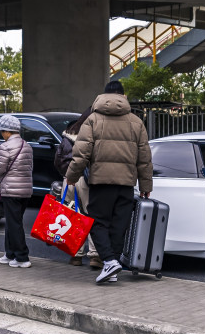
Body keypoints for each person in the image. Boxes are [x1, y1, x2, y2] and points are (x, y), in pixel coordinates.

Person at [65, 80, 153, 284]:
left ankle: (109, 261)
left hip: (101, 182)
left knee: (95, 221)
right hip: (126, 184)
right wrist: (146, 186)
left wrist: (72, 176)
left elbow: (81, 154)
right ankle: (111, 267)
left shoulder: (93, 120)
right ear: (124, 97)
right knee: (119, 226)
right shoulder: (136, 122)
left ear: (103, 96)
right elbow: (144, 157)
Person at [54, 106, 100, 268]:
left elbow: (58, 159)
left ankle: (75, 255)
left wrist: (67, 175)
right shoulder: (93, 133)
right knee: (91, 215)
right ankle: (94, 255)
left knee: (73, 216)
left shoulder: (69, 133)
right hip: (86, 179)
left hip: (69, 178)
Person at [0, 115, 34, 268]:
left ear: (7, 131)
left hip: (11, 190)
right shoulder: (27, 146)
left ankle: (22, 257)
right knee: (13, 222)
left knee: (14, 224)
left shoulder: (5, 147)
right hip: (25, 190)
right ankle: (10, 254)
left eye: (2, 131)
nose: (1, 134)